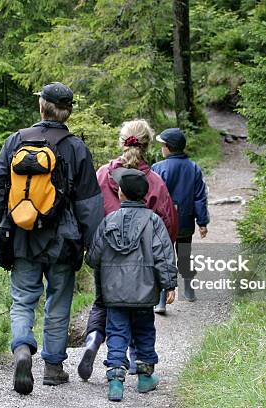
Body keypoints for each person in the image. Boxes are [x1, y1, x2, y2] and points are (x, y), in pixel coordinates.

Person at [0, 82, 104, 395]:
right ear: (67, 111)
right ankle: (53, 366)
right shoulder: (76, 147)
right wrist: (93, 246)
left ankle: (22, 349)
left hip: (22, 236)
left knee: (23, 298)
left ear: (42, 106)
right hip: (63, 241)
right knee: (58, 301)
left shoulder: (16, 140)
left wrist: (5, 222)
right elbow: (89, 204)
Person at [78, 119, 177, 381]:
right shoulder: (154, 182)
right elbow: (167, 225)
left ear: (121, 142)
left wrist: (91, 249)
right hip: (144, 264)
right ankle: (139, 364)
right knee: (139, 309)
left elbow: (87, 212)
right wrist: (167, 274)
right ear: (146, 145)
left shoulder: (102, 175)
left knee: (107, 305)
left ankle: (95, 340)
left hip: (107, 259)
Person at [85, 168, 178, 402]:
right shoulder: (154, 222)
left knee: (117, 332)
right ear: (145, 196)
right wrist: (169, 285)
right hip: (145, 292)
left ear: (121, 195)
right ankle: (145, 378)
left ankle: (116, 382)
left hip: (114, 293)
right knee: (144, 331)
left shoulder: (109, 220)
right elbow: (164, 256)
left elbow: (93, 257)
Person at [152, 128, 210, 302]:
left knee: (162, 256)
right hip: (185, 222)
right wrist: (202, 222)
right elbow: (200, 197)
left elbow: (153, 197)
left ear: (168, 147)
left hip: (164, 224)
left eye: (162, 145)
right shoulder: (194, 168)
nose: (161, 148)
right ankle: (189, 290)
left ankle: (161, 299)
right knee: (185, 253)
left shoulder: (158, 168)